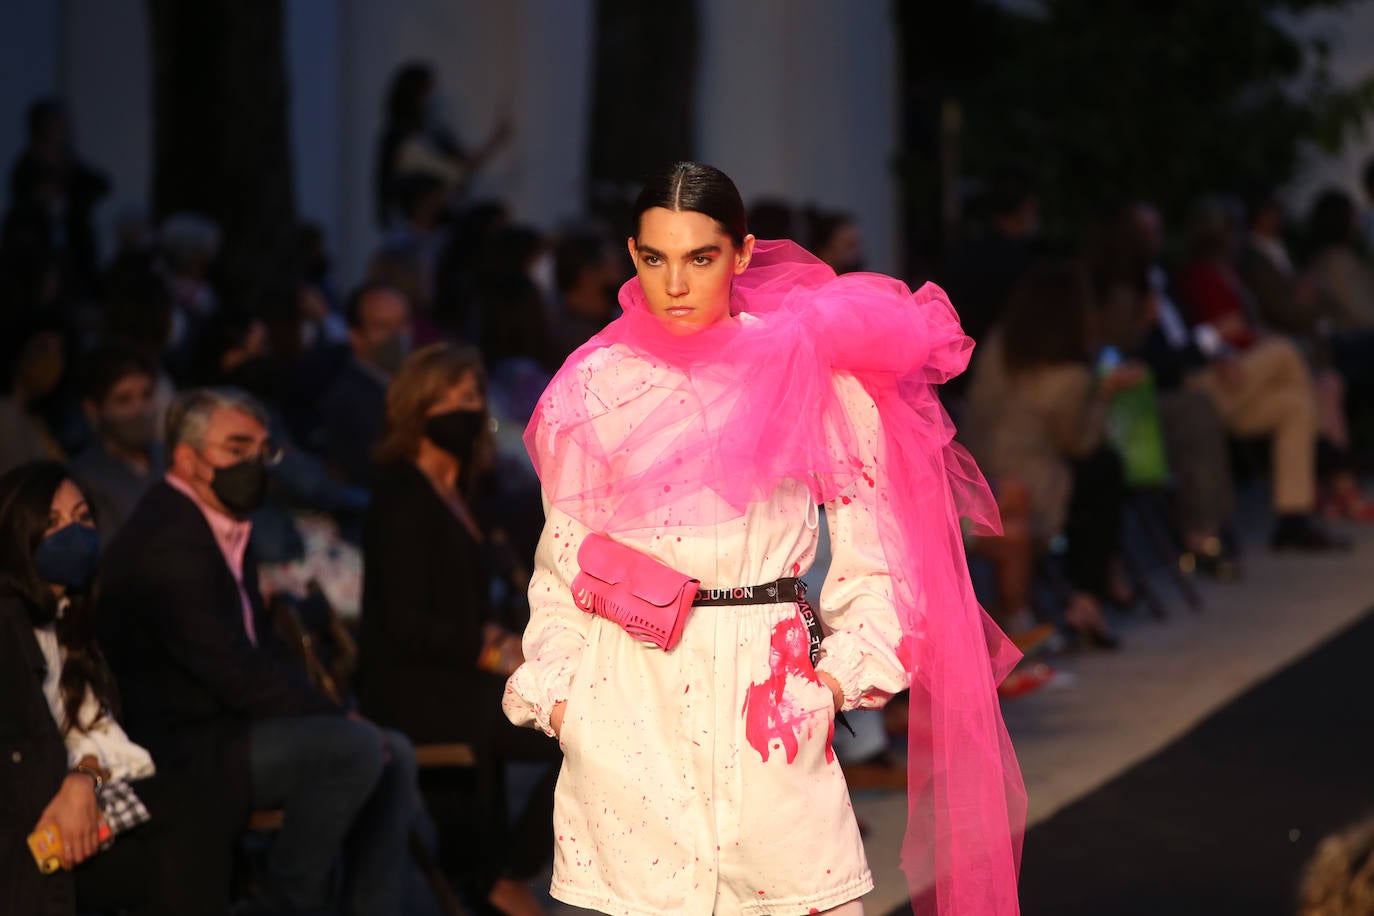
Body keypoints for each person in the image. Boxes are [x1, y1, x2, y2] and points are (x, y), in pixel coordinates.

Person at [503, 162, 1023, 915]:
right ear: (632, 256)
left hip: (771, 710)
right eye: (655, 259)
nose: (675, 283)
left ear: (742, 255)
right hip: (627, 713)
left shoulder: (813, 375)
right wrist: (568, 704)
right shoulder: (595, 388)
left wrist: (832, 687)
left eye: (700, 257)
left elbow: (881, 569)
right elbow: (561, 570)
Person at [96, 387, 417, 915]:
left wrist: (335, 714)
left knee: (394, 753)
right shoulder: (167, 539)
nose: (255, 464)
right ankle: (282, 904)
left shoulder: (219, 521)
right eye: (236, 448)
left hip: (230, 724)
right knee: (353, 748)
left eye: (262, 450)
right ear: (186, 458)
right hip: (186, 746)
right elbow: (228, 668)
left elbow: (257, 649)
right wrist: (333, 718)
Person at [358, 342, 556, 915]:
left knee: (581, 711)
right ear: (414, 409)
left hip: (460, 672)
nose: (461, 408)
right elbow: (407, 622)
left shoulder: (465, 494)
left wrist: (505, 643)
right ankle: (500, 877)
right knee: (573, 726)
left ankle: (499, 873)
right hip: (415, 686)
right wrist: (492, 653)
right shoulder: (400, 495)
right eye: (445, 398)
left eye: (470, 396)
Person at [0, 460, 230, 915]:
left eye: (83, 518)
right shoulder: (7, 627)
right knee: (182, 827)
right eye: (51, 523)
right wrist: (73, 787)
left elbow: (98, 736)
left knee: (194, 804)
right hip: (24, 843)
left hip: (67, 818)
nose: (74, 534)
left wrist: (82, 779)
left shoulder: (69, 623)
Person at [960, 260, 1135, 646]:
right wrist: (1105, 394)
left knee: (1094, 480)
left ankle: (1071, 599)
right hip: (1031, 486)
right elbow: (1080, 442)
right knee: (1102, 473)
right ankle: (1087, 595)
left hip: (976, 471)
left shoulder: (998, 346)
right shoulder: (1070, 378)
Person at [374, 61, 512, 228]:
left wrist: (496, 139)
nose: (430, 98)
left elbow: (464, 167)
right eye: (427, 91)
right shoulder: (396, 136)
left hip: (443, 217)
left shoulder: (434, 131)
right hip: (412, 220)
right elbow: (384, 181)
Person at [319, 282, 414, 489]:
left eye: (403, 323)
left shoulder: (410, 384)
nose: (397, 336)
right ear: (356, 337)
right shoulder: (349, 400)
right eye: (383, 326)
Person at [69, 345, 164, 541]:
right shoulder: (85, 479)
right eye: (123, 400)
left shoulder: (172, 457)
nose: (141, 411)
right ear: (93, 409)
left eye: (147, 395)